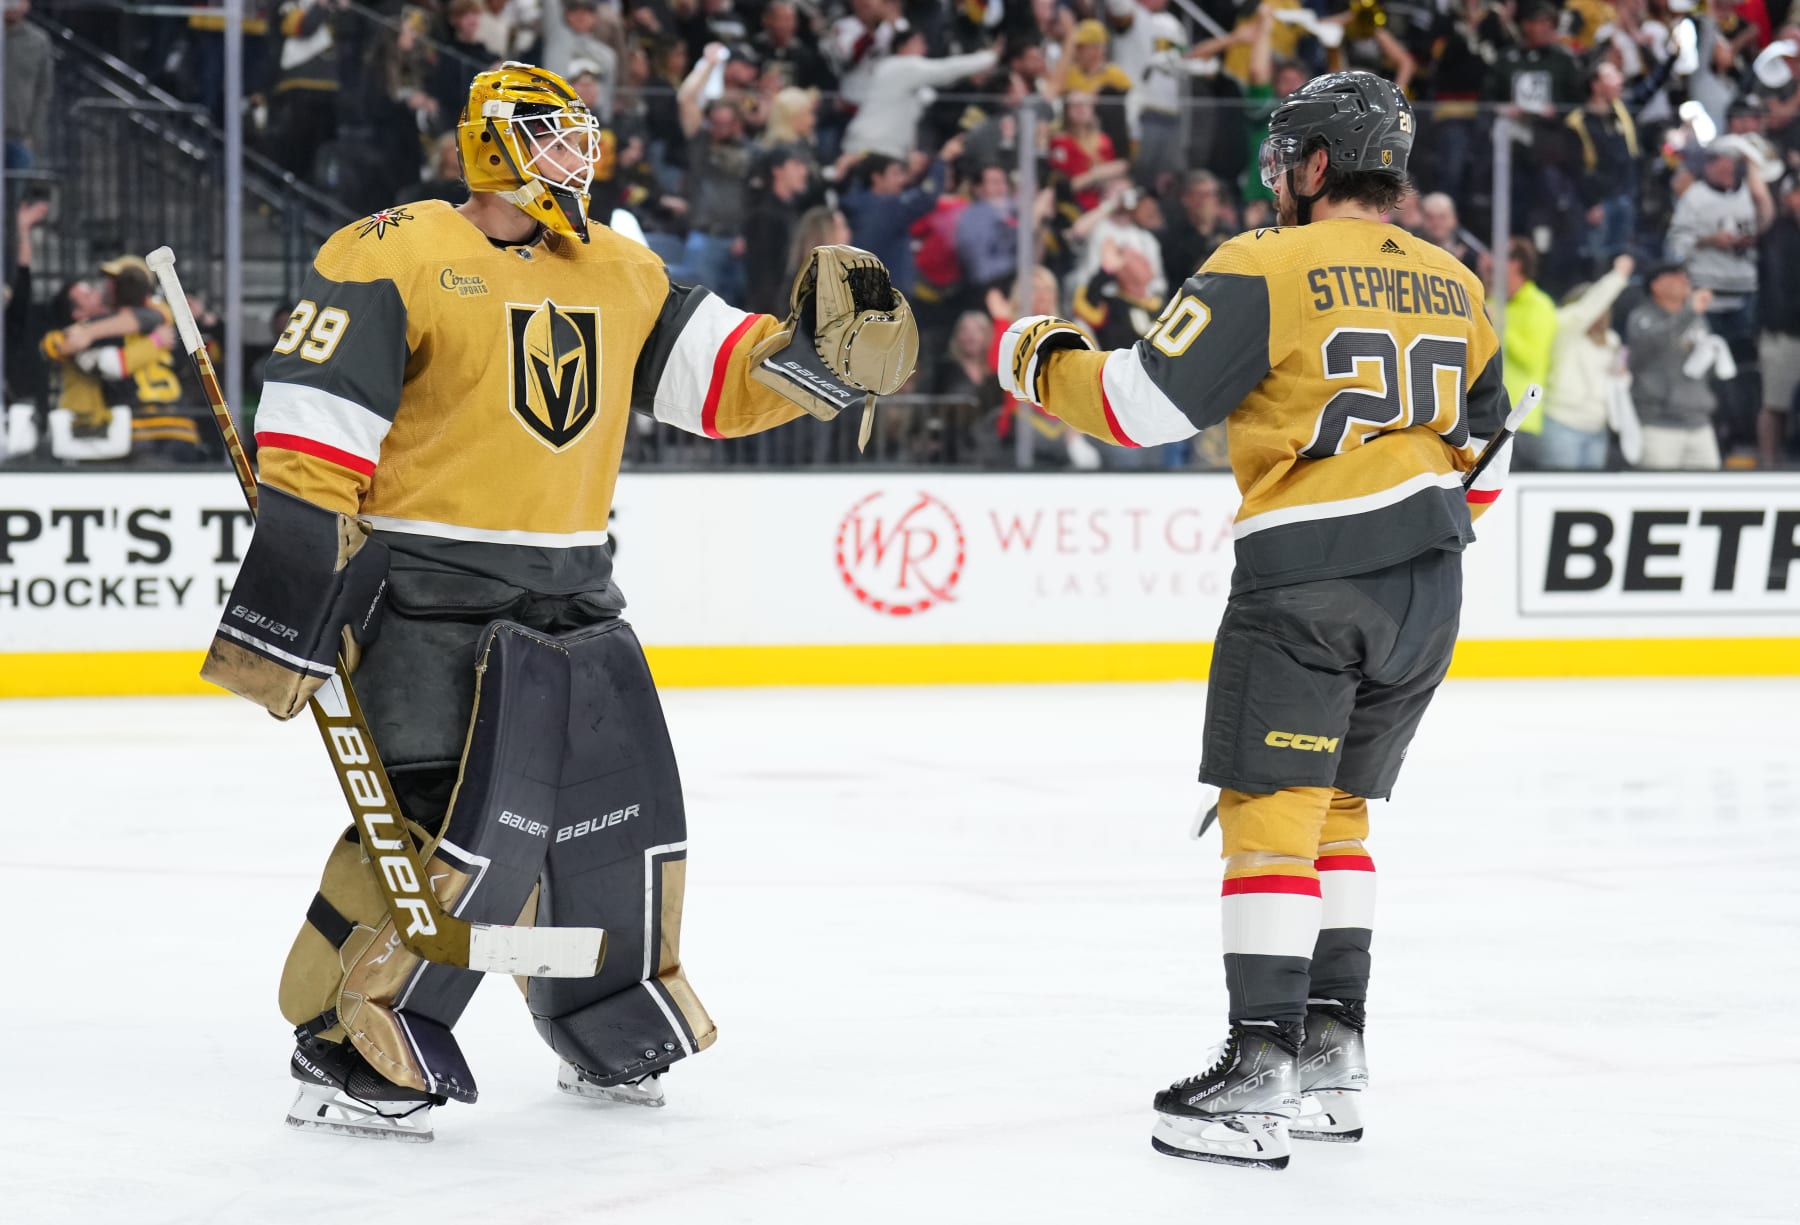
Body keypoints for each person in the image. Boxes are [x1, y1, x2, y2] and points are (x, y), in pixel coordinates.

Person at [203, 62, 914, 1142]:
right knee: (459, 837)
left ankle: (605, 1013)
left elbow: (720, 380)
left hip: (576, 591)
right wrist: (296, 605)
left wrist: (816, 360)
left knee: (611, 828)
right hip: (431, 597)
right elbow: (311, 436)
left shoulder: (617, 269)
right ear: (488, 148)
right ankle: (348, 1032)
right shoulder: (392, 249)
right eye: (547, 137)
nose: (574, 155)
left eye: (577, 135)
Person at [997, 71, 1513, 1169]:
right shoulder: (1458, 281)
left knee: (1269, 814)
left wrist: (1038, 359)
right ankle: (1334, 1055)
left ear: (1319, 164)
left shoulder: (1265, 262)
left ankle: (1258, 1069)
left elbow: (1140, 405)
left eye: (1288, 156)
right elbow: (1491, 450)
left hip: (1309, 578)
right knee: (1340, 817)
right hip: (1431, 584)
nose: (1277, 174)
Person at [1628, 261, 1724, 469]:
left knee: (1709, 496)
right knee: (1660, 498)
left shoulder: (1697, 319)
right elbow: (1649, 346)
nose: (1684, 280)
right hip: (1659, 424)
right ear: (1656, 285)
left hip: (1698, 422)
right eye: (1675, 276)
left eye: (1685, 276)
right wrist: (1688, 313)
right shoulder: (1642, 318)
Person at [1541, 255, 1635, 469]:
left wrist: (1622, 376)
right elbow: (1584, 312)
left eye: (1603, 311)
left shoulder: (1612, 340)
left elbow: (1617, 384)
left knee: (1587, 496)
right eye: (1596, 309)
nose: (1598, 316)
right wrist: (1617, 276)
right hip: (1563, 424)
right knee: (1562, 494)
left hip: (1597, 428)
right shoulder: (1564, 330)